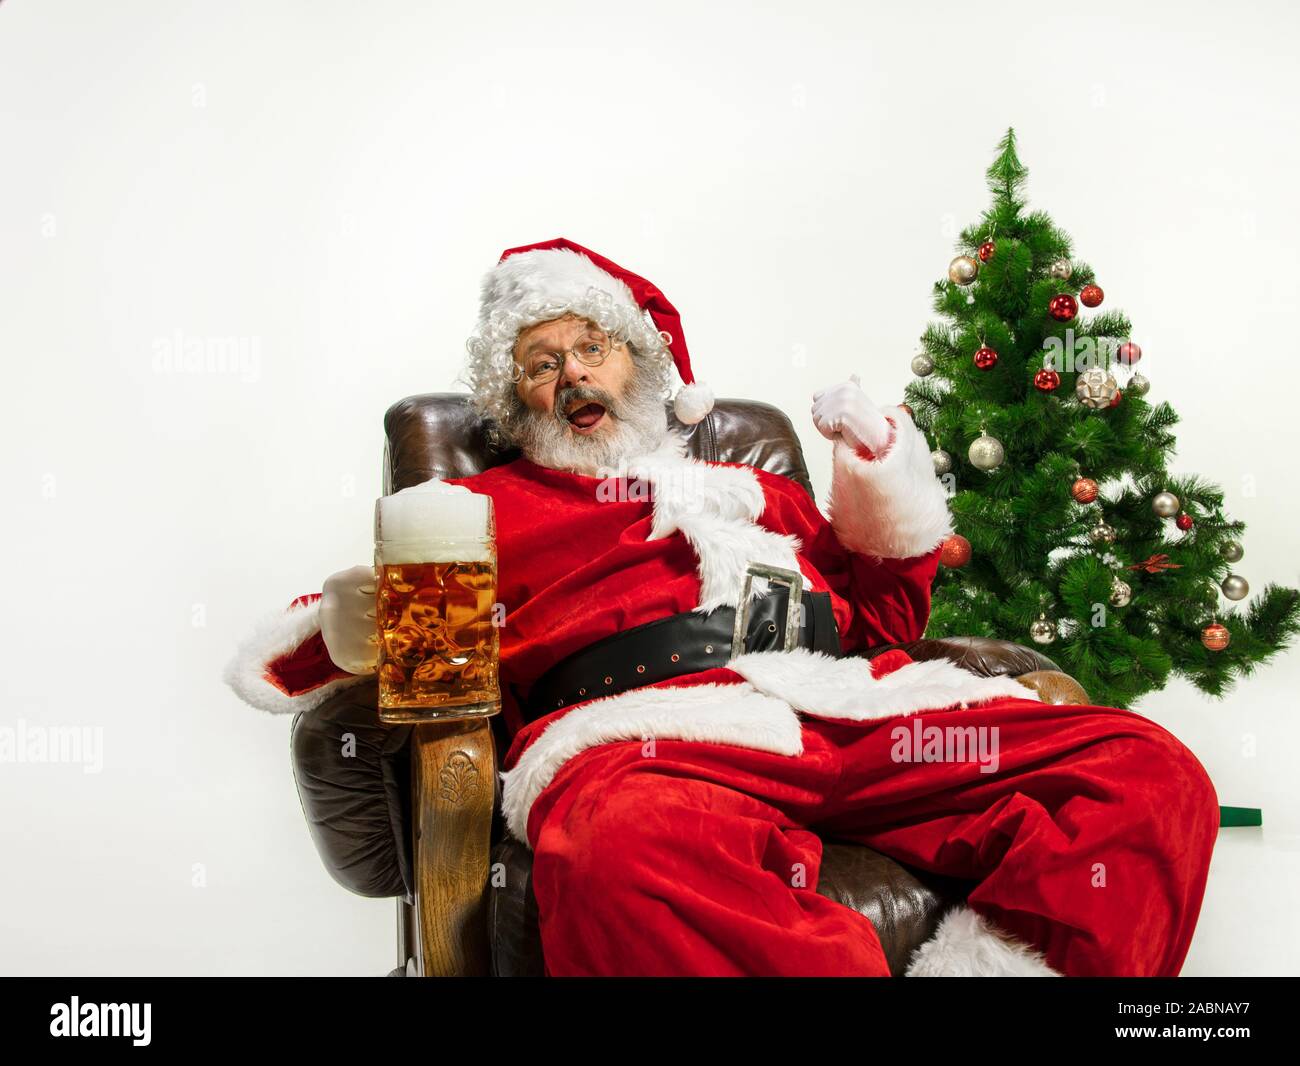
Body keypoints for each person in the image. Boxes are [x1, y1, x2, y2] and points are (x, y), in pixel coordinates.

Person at [224, 236, 1220, 977]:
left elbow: (879, 625)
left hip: (851, 715)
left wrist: (881, 485)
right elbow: (314, 647)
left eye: (590, 348)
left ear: (637, 365)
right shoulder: (477, 508)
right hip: (650, 740)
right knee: (616, 853)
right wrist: (375, 619)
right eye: (539, 361)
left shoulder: (761, 492)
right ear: (515, 395)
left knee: (1143, 771)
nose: (570, 371)